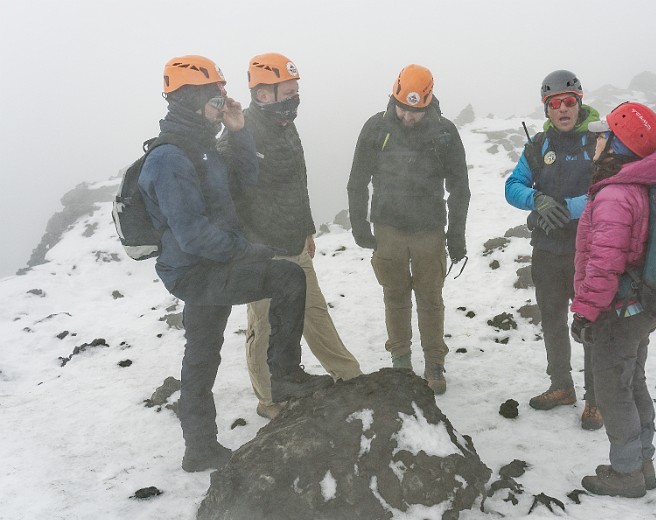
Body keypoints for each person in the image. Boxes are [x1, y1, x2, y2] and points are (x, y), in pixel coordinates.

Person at [138, 55, 332, 472]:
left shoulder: (203, 149)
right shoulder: (170, 159)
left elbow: (244, 179)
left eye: (223, 95)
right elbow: (191, 235)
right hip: (196, 273)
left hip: (210, 268)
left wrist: (238, 131)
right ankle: (277, 381)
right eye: (215, 98)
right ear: (189, 101)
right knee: (283, 281)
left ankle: (205, 443)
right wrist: (250, 252)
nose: (222, 103)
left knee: (205, 352)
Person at [220, 53, 363, 420]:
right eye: (288, 91)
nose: (295, 98)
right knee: (265, 325)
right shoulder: (241, 132)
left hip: (295, 242)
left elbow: (297, 182)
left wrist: (307, 230)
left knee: (314, 314)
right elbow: (227, 191)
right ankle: (269, 398)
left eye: (296, 91)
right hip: (262, 251)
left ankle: (348, 376)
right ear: (263, 93)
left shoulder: (286, 124)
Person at [570, 101, 656, 498]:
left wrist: (585, 312)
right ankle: (642, 461)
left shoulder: (616, 194)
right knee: (633, 381)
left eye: (604, 135)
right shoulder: (642, 184)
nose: (597, 141)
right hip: (640, 307)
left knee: (614, 390)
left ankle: (626, 472)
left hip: (617, 311)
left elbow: (604, 263)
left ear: (617, 144)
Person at [346, 64, 470, 395]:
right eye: (403, 108)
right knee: (395, 294)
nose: (407, 117)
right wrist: (360, 225)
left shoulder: (444, 133)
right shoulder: (376, 128)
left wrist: (456, 235)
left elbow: (460, 187)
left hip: (429, 228)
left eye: (415, 111)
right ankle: (400, 360)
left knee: (430, 297)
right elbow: (357, 180)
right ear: (394, 98)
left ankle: (434, 363)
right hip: (387, 227)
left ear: (428, 102)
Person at [504, 70, 602, 430]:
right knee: (552, 319)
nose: (563, 109)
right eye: (555, 104)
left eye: (569, 102)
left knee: (592, 321)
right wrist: (538, 200)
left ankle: (597, 398)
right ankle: (561, 386)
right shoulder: (537, 147)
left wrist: (571, 207)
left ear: (580, 103)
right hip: (546, 250)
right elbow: (512, 186)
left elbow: (611, 188)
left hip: (590, 250)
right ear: (546, 109)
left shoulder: (599, 142)